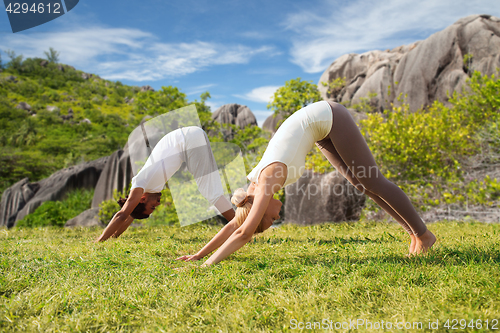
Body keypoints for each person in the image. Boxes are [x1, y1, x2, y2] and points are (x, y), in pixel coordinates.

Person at [176, 101, 436, 266]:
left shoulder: (265, 181)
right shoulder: (253, 191)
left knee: (371, 179)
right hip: (321, 129)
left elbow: (243, 232)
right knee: (362, 184)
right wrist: (199, 254)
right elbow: (235, 223)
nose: (276, 218)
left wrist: (207, 265)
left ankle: (423, 234)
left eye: (270, 220)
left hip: (329, 116)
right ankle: (413, 234)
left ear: (260, 210)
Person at [95, 126, 235, 242]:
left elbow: (122, 215)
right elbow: (131, 215)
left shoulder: (140, 183)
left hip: (186, 140)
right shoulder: (149, 190)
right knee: (210, 189)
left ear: (142, 199)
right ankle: (243, 225)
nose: (158, 204)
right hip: (189, 136)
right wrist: (114, 237)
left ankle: (243, 228)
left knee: (211, 192)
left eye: (152, 206)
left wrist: (100, 240)